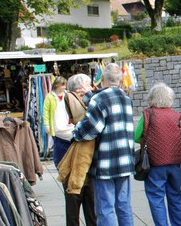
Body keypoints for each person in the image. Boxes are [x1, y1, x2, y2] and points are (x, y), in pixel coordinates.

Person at [72, 63, 135, 226]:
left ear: (103, 79)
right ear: (120, 81)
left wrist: (75, 130)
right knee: (124, 206)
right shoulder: (125, 98)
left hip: (105, 162)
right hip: (125, 160)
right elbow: (106, 105)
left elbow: (91, 130)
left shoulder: (99, 99)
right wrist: (88, 96)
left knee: (105, 208)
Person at [134, 82, 181, 226]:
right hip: (175, 162)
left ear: (152, 98)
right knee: (175, 195)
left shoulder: (147, 114)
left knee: (156, 197)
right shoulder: (175, 115)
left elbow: (136, 136)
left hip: (155, 162)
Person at [56, 74, 96, 226]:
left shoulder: (83, 101)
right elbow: (59, 128)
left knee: (90, 201)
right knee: (73, 200)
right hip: (69, 155)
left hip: (86, 158)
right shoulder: (65, 101)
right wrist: (80, 134)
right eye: (88, 86)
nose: (90, 89)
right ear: (80, 89)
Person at [42, 76, 73, 168]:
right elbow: (46, 111)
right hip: (56, 125)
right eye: (62, 85)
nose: (64, 87)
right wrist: (46, 124)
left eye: (65, 85)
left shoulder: (67, 94)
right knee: (58, 146)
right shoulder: (50, 96)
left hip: (68, 124)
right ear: (56, 85)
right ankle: (59, 164)